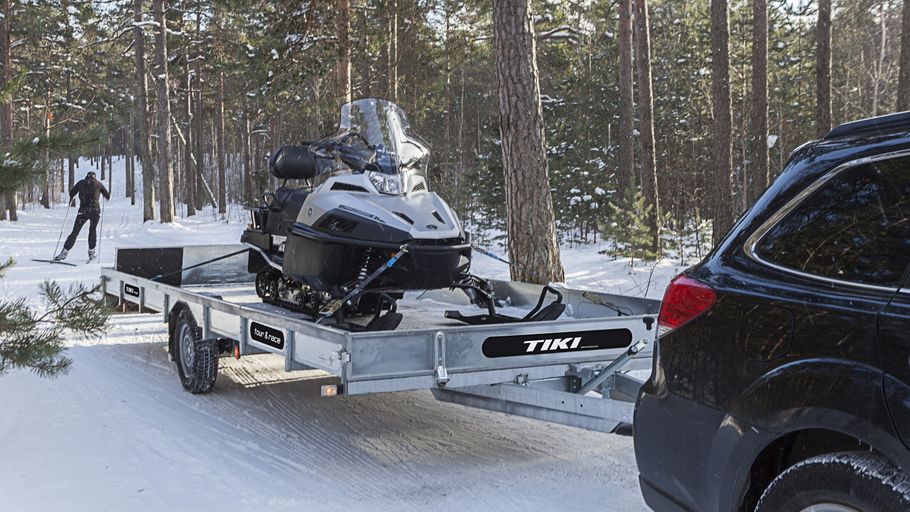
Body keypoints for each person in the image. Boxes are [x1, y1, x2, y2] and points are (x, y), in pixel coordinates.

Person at [54, 171, 110, 263]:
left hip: (83, 211)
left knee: (75, 232)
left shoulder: (81, 183)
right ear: (94, 177)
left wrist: (73, 196)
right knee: (92, 230)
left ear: (86, 177)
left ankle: (65, 251)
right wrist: (103, 195)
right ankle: (91, 252)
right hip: (95, 211)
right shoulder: (98, 184)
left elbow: (72, 193)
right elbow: (107, 196)